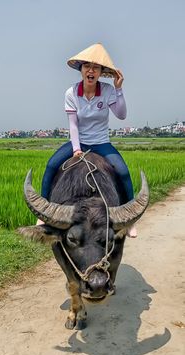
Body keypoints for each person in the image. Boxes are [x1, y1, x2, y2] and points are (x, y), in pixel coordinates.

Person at [38, 43, 137, 238]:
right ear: (81, 70)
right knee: (51, 167)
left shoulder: (108, 91)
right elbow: (73, 125)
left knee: (124, 173)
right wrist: (76, 149)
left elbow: (122, 115)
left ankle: (130, 219)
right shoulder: (71, 93)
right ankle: (43, 214)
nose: (91, 70)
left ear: (100, 72)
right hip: (79, 142)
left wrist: (119, 89)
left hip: (101, 143)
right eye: (86, 66)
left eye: (96, 67)